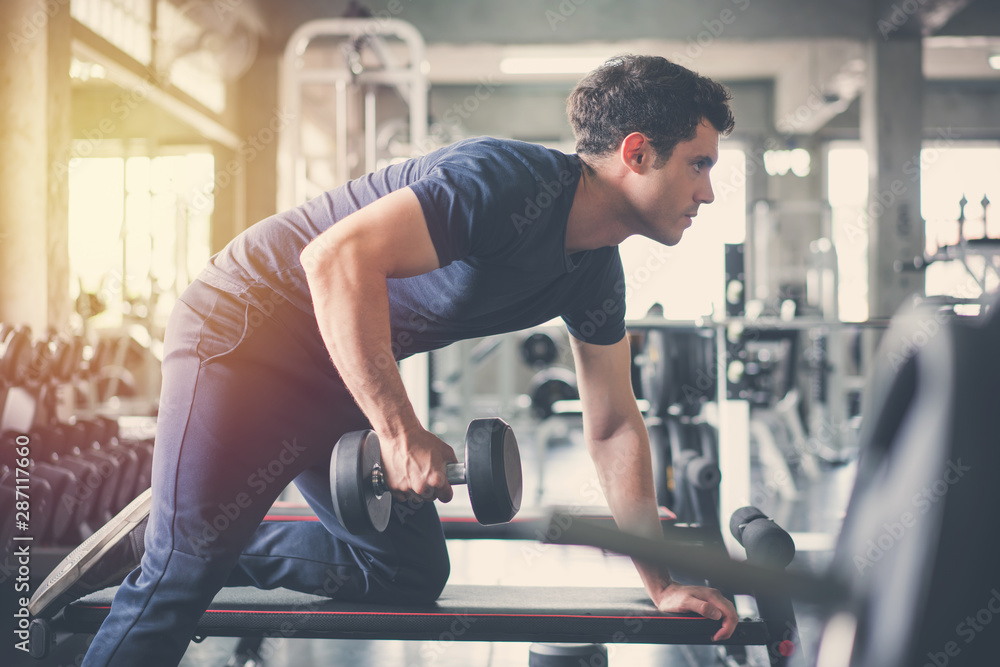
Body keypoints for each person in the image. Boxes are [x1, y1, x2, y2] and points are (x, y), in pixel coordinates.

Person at [30, 54, 738, 665]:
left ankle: (207, 537)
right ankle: (189, 545)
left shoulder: (595, 273)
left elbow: (614, 425)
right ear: (637, 152)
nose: (707, 190)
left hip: (332, 363)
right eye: (697, 164)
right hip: (243, 325)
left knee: (405, 570)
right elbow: (334, 257)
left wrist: (662, 583)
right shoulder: (506, 181)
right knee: (179, 577)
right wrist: (398, 434)